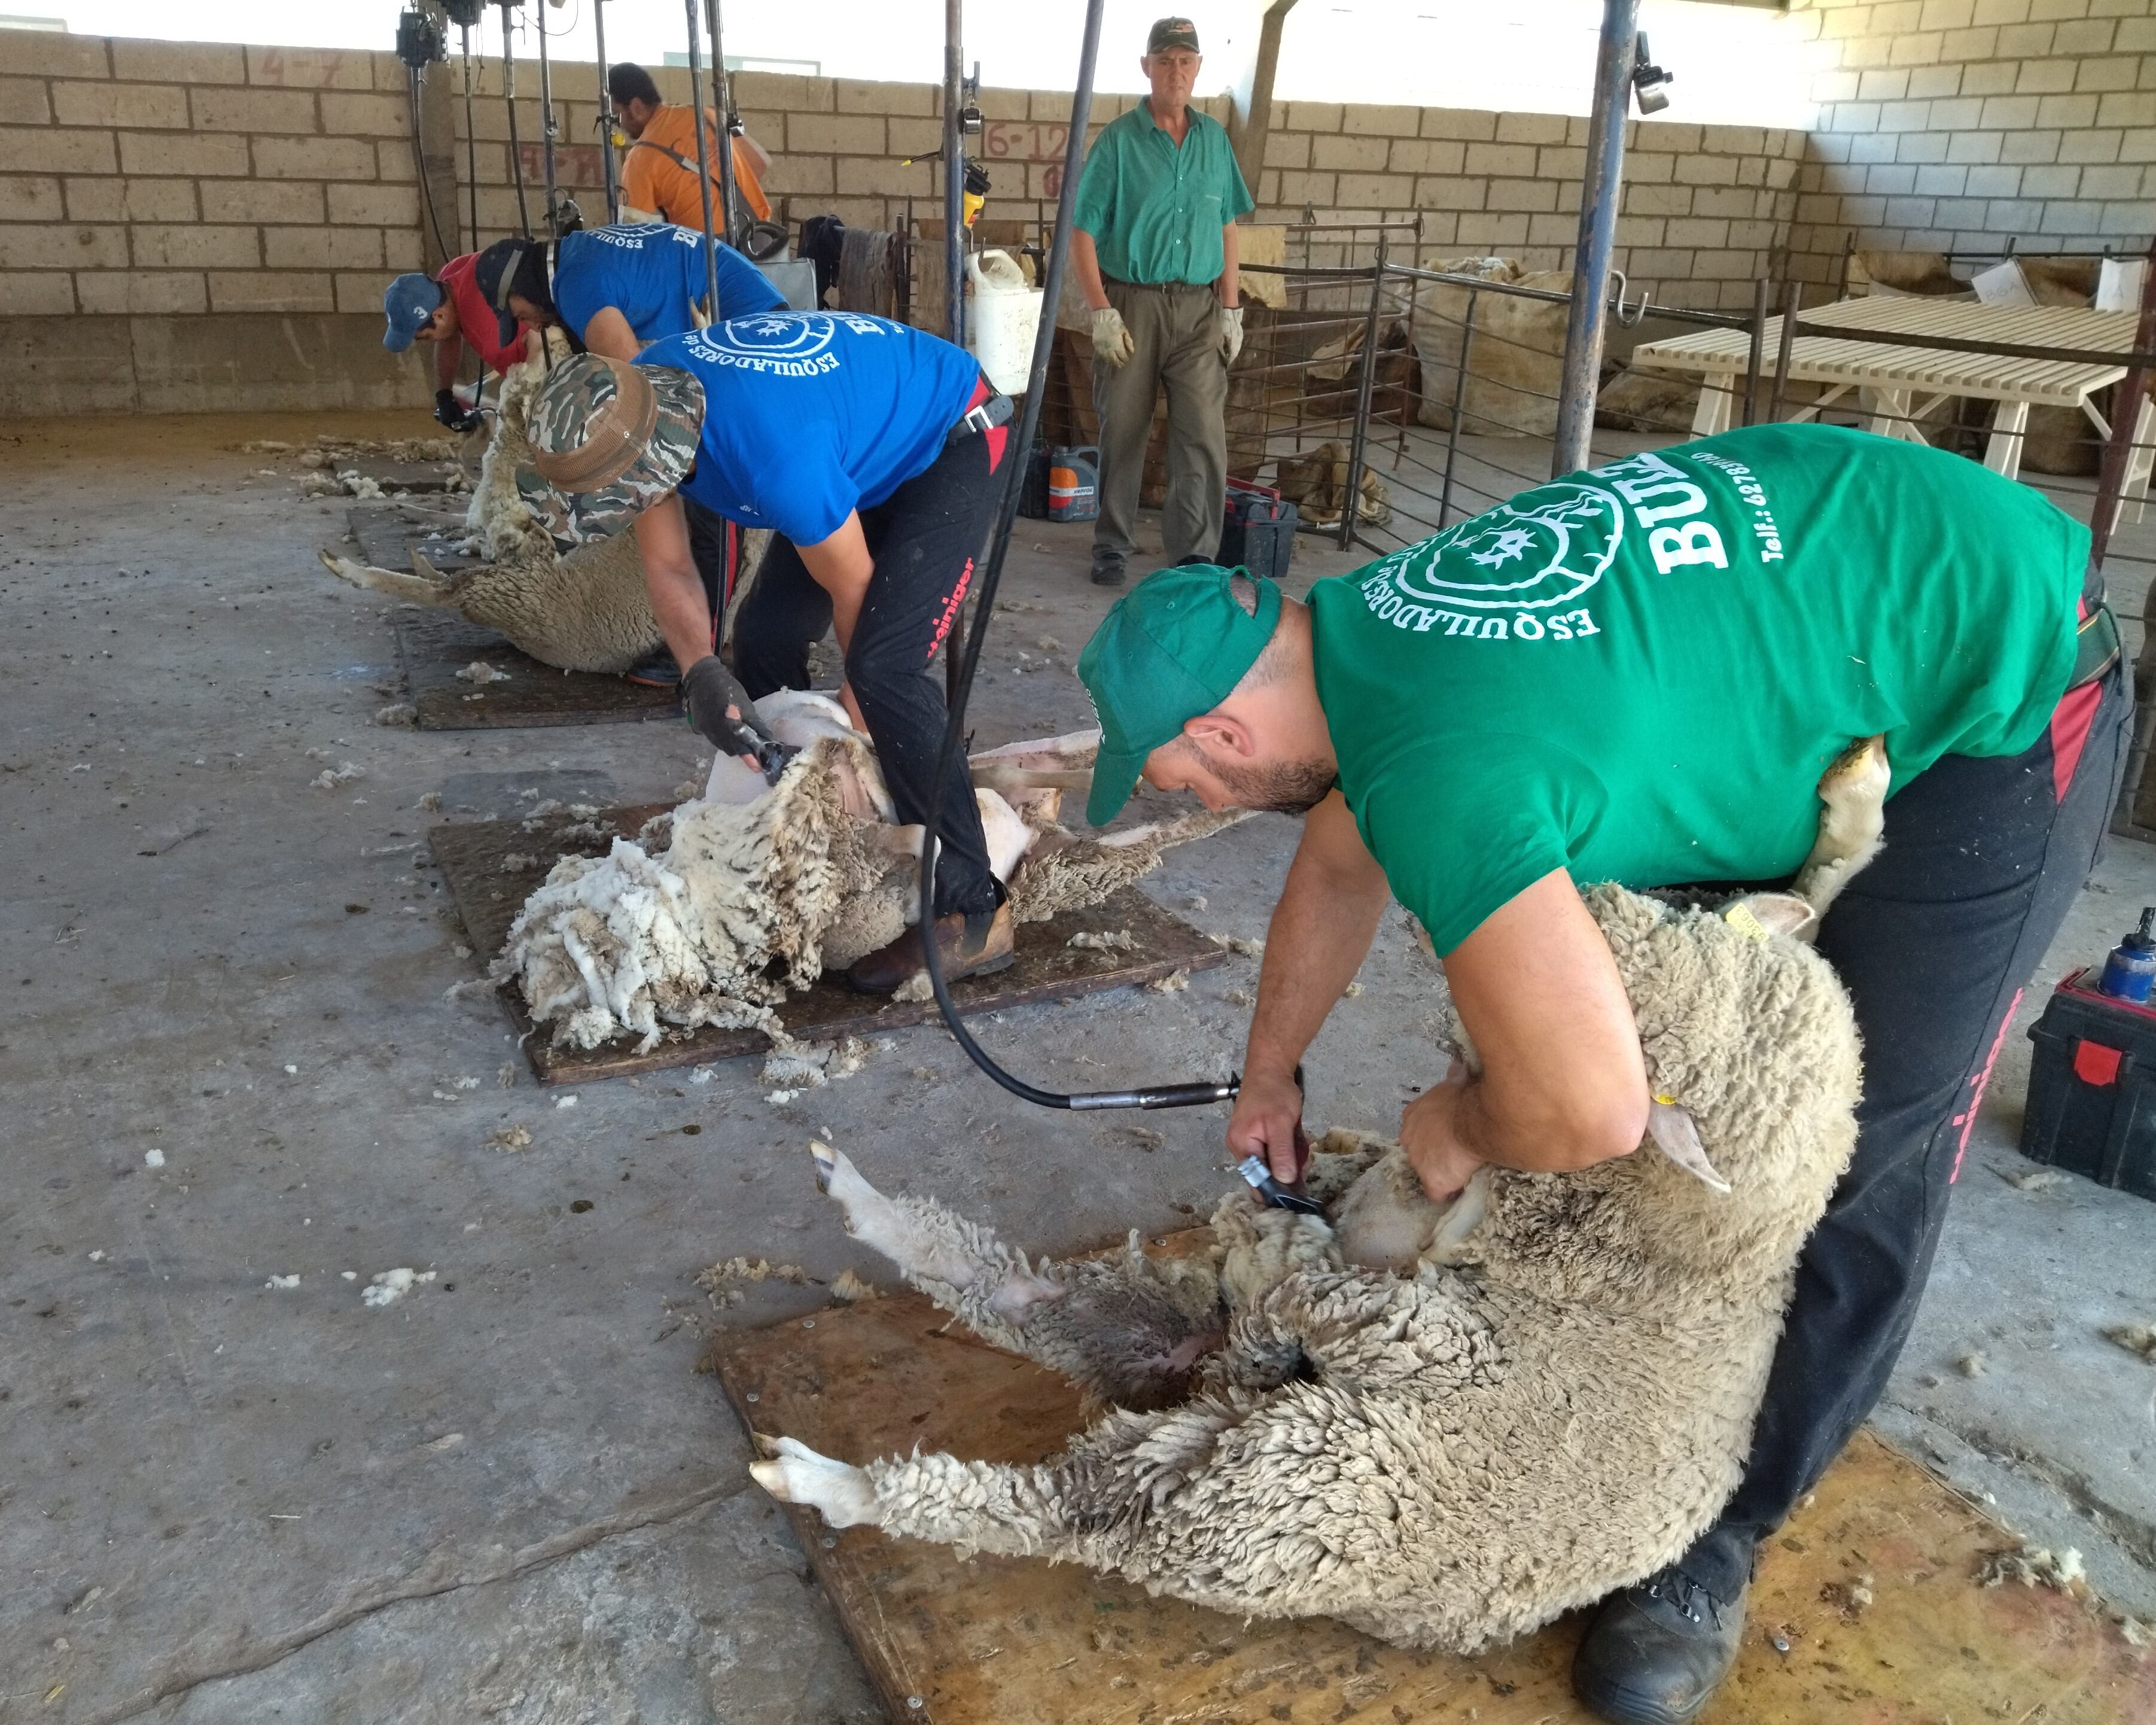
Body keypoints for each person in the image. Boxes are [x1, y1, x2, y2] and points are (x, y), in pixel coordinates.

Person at [1073, 423, 2128, 1725]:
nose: (1192, 800)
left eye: (1180, 780)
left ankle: (1716, 1532)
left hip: (1996, 662)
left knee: (1847, 1139)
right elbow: (1341, 856)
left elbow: (1586, 1106)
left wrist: (1452, 1125)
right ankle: (1599, 1348)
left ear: (1227, 730)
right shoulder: (1359, 640)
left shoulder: (1439, 763)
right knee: (1630, 1021)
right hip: (1837, 589)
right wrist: (1268, 1072)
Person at [522, 311, 1019, 992]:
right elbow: (669, 566)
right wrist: (700, 670)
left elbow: (854, 592)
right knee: (762, 638)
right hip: (853, 446)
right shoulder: (636, 405)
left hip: (953, 434)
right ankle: (782, 815)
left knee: (885, 666)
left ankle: (972, 907)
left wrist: (858, 740)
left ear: (654, 463)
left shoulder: (777, 460)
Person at [473, 227, 786, 683]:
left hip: (752, 338)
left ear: (520, 289)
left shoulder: (576, 285)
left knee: (709, 499)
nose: (527, 324)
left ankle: (701, 658)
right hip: (744, 323)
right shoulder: (578, 259)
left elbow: (635, 381)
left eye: (517, 314)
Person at [1070, 16, 1254, 588]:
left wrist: (1231, 307)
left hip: (1200, 310)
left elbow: (1227, 227)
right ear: (1146, 66)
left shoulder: (1215, 140)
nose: (1176, 71)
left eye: (1186, 61)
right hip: (1133, 304)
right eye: (1165, 60)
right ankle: (1112, 545)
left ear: (1197, 68)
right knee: (1123, 427)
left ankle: (1195, 553)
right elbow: (1082, 230)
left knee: (1201, 432)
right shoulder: (1120, 142)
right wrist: (1100, 309)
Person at [607, 61, 774, 233]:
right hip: (760, 240)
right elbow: (759, 163)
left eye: (616, 115)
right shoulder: (707, 115)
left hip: (707, 253)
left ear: (636, 107)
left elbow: (633, 232)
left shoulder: (641, 158)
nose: (619, 125)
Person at [381, 252, 538, 432]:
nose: (427, 342)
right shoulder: (449, 278)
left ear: (438, 316)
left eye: (425, 337)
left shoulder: (490, 331)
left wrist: (508, 420)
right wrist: (444, 395)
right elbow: (448, 334)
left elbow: (537, 360)